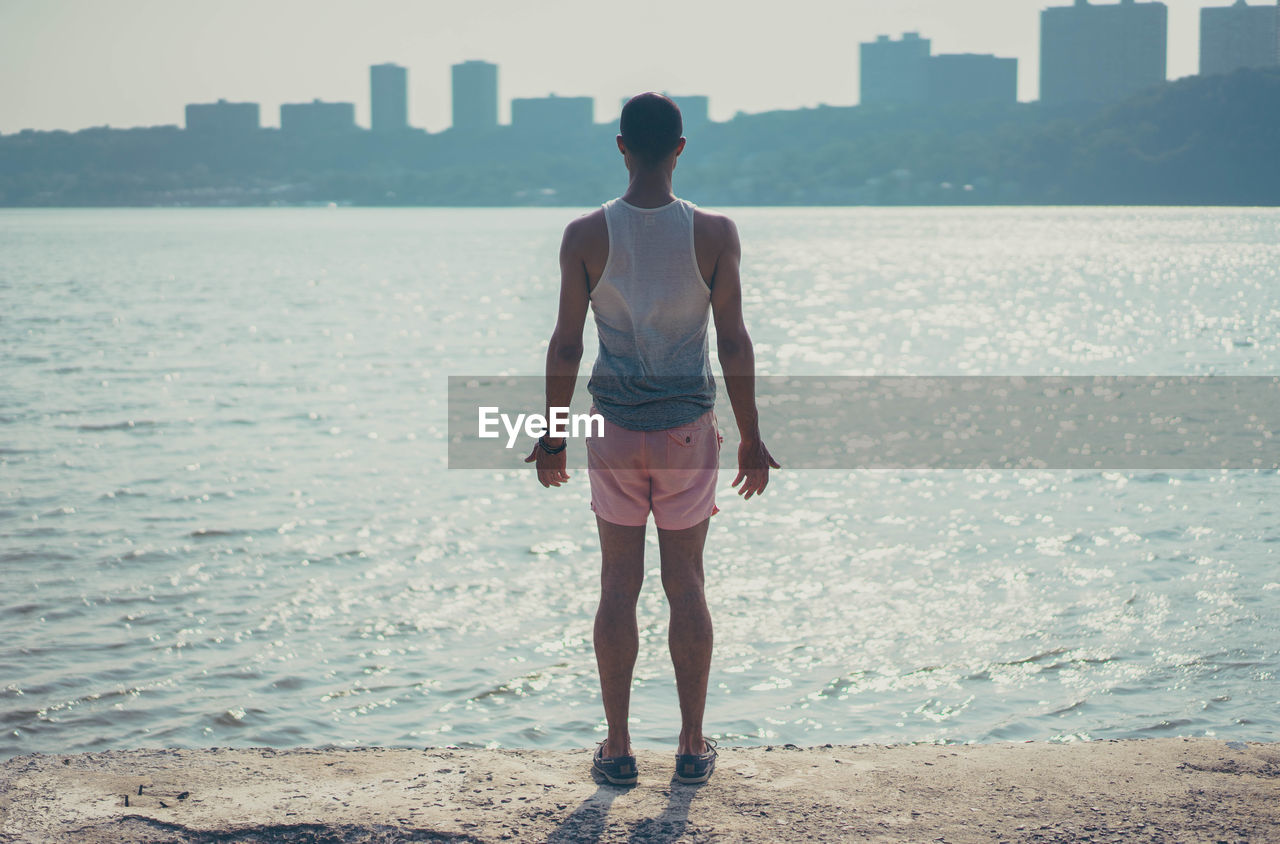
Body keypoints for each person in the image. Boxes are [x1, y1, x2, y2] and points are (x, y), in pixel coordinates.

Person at [525, 92, 778, 786]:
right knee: (686, 584)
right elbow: (732, 340)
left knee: (618, 585)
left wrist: (551, 439)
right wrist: (752, 436)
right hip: (687, 434)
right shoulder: (716, 233)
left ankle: (617, 747)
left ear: (621, 146)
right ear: (681, 147)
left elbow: (566, 347)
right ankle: (693, 746)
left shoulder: (584, 234)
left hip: (613, 430)